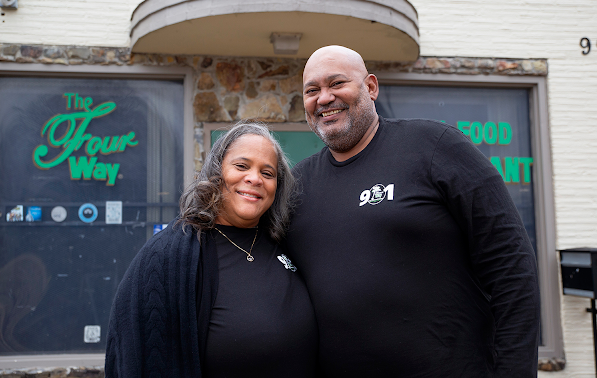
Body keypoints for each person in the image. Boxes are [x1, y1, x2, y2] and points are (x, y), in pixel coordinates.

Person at [286, 45, 540, 377]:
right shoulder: (298, 185)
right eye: (312, 90)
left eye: (337, 84)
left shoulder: (435, 146)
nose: (324, 98)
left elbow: (512, 269)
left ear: (371, 88)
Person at [105, 121, 318, 378]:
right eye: (241, 166)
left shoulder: (285, 241)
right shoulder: (167, 255)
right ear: (216, 173)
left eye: (268, 173)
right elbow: (133, 355)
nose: (254, 178)